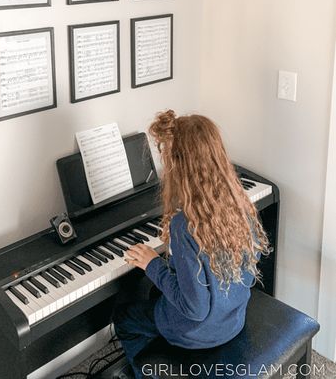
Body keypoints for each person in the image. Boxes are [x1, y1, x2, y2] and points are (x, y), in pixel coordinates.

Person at [113, 111, 270, 379]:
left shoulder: (185, 225)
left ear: (179, 167)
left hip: (199, 332)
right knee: (155, 295)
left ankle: (149, 372)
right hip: (232, 318)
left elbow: (194, 309)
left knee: (125, 317)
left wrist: (152, 264)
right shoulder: (237, 201)